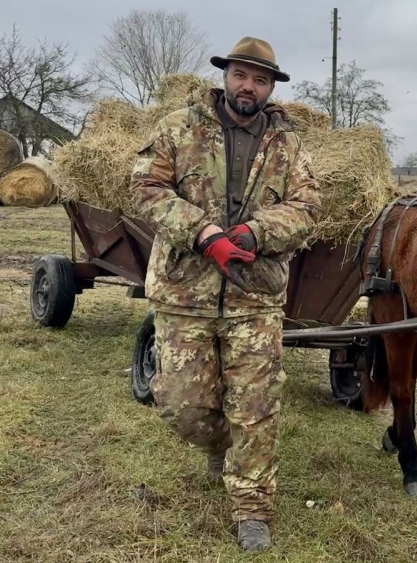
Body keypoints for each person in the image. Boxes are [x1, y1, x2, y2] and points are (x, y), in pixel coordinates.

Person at [129, 36, 321, 553]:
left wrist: (258, 232)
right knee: (181, 406)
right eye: (241, 75)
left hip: (255, 296)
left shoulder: (288, 144)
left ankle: (253, 508)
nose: (248, 87)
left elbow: (308, 207)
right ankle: (221, 444)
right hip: (184, 291)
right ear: (225, 76)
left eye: (260, 80)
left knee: (255, 405)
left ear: (270, 87)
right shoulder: (178, 127)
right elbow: (146, 189)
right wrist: (203, 234)